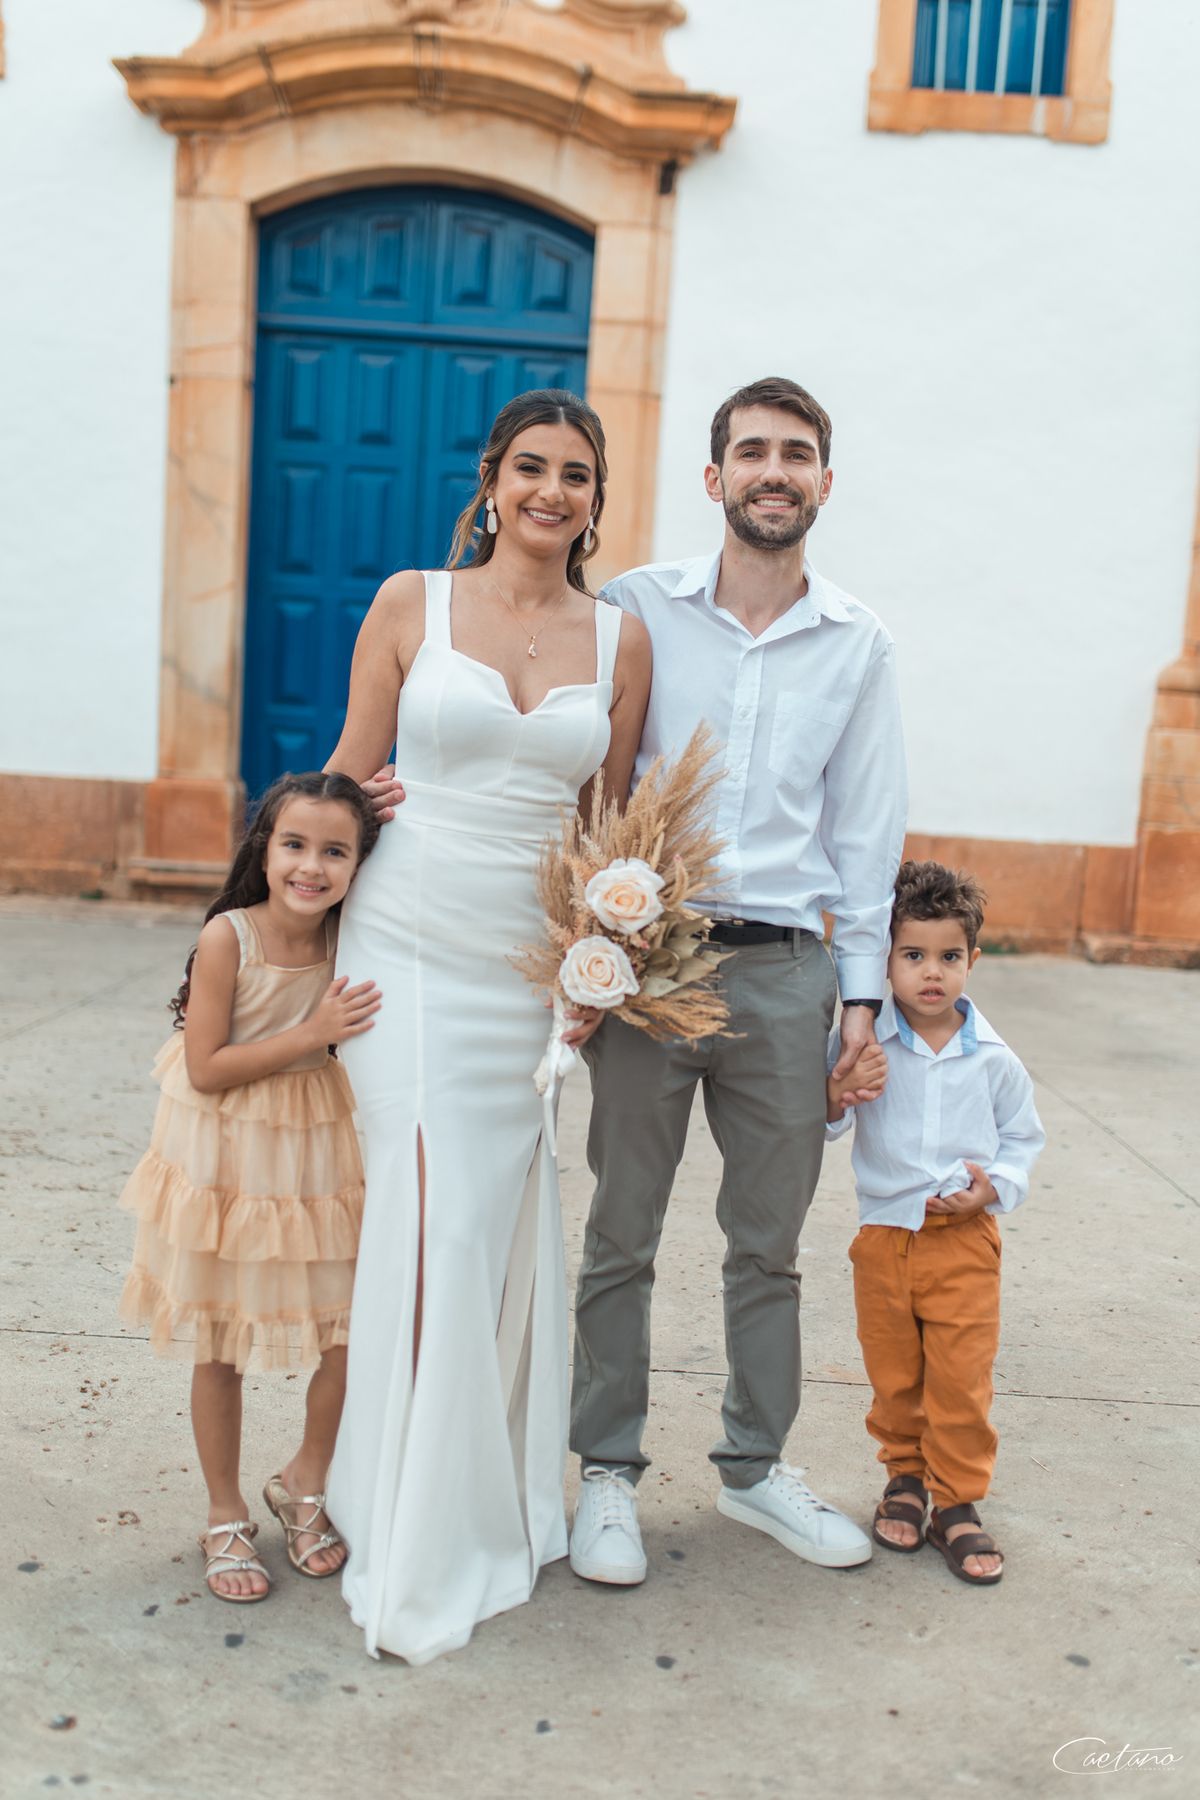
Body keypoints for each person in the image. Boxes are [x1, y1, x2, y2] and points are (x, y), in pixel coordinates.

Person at [324, 390, 652, 1664]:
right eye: (531, 468)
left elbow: (608, 832)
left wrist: (600, 963)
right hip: (403, 943)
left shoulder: (620, 640)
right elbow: (346, 775)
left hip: (524, 969)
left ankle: (464, 1499)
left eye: (576, 474)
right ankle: (395, 1506)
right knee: (424, 1218)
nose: (551, 492)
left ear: (595, 497)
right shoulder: (411, 602)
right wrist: (268, 924)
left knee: (483, 1226)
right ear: (491, 478)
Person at [567, 375, 907, 1585]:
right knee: (621, 1232)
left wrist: (858, 1004)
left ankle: (756, 1469)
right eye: (752, 451)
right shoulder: (637, 607)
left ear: (824, 481)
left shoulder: (858, 641)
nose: (775, 470)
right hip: (647, 963)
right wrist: (582, 942)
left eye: (796, 453)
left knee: (768, 1246)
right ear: (714, 477)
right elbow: (594, 780)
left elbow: (867, 832)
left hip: (787, 975)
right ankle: (605, 1476)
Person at [118, 771, 382, 1603]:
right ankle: (224, 1511)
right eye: (294, 844)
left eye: (335, 851)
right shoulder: (228, 937)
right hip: (226, 1149)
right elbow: (206, 1066)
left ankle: (305, 1480)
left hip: (314, 1146)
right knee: (221, 1337)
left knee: (350, 1327)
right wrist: (314, 1032)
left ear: (360, 864)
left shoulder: (354, 934)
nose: (311, 866)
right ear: (264, 851)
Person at [827, 861, 1044, 1585]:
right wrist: (837, 1091)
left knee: (959, 1379)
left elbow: (1023, 1139)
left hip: (963, 1244)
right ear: (884, 961)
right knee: (895, 1376)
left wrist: (994, 1190)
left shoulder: (995, 1060)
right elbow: (827, 1124)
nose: (931, 973)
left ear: (972, 960)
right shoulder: (865, 1045)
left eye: (949, 956)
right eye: (913, 955)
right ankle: (905, 1478)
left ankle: (956, 1500)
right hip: (884, 1241)